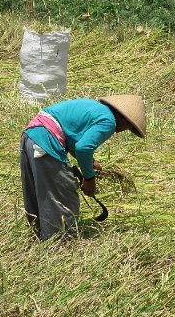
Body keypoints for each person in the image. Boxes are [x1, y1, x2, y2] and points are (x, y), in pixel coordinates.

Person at [20, 95, 146, 241]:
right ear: (124, 119)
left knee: (39, 192)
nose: (123, 131)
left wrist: (91, 162)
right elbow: (84, 148)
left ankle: (37, 237)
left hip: (31, 136)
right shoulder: (109, 121)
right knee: (62, 195)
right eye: (128, 127)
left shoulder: (96, 109)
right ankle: (59, 247)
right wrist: (89, 179)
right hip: (46, 141)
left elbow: (72, 137)